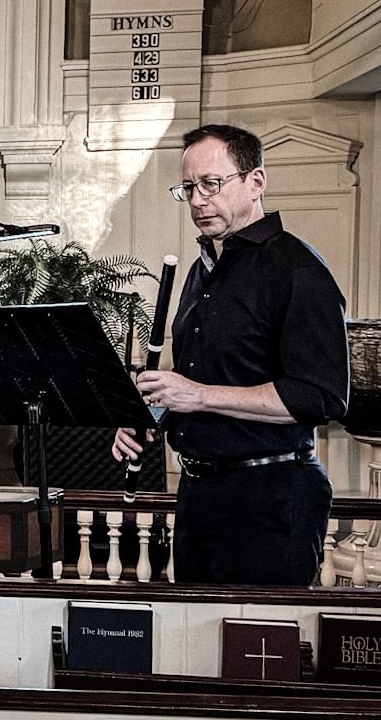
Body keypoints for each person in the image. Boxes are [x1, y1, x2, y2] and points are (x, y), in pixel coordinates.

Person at [113, 124, 349, 585]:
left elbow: (320, 397)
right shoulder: (203, 270)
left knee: (257, 646)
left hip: (271, 495)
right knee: (192, 641)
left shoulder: (298, 270)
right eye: (188, 188)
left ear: (255, 182)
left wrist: (197, 396)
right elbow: (196, 378)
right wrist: (150, 413)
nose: (198, 200)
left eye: (211, 184)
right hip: (200, 491)